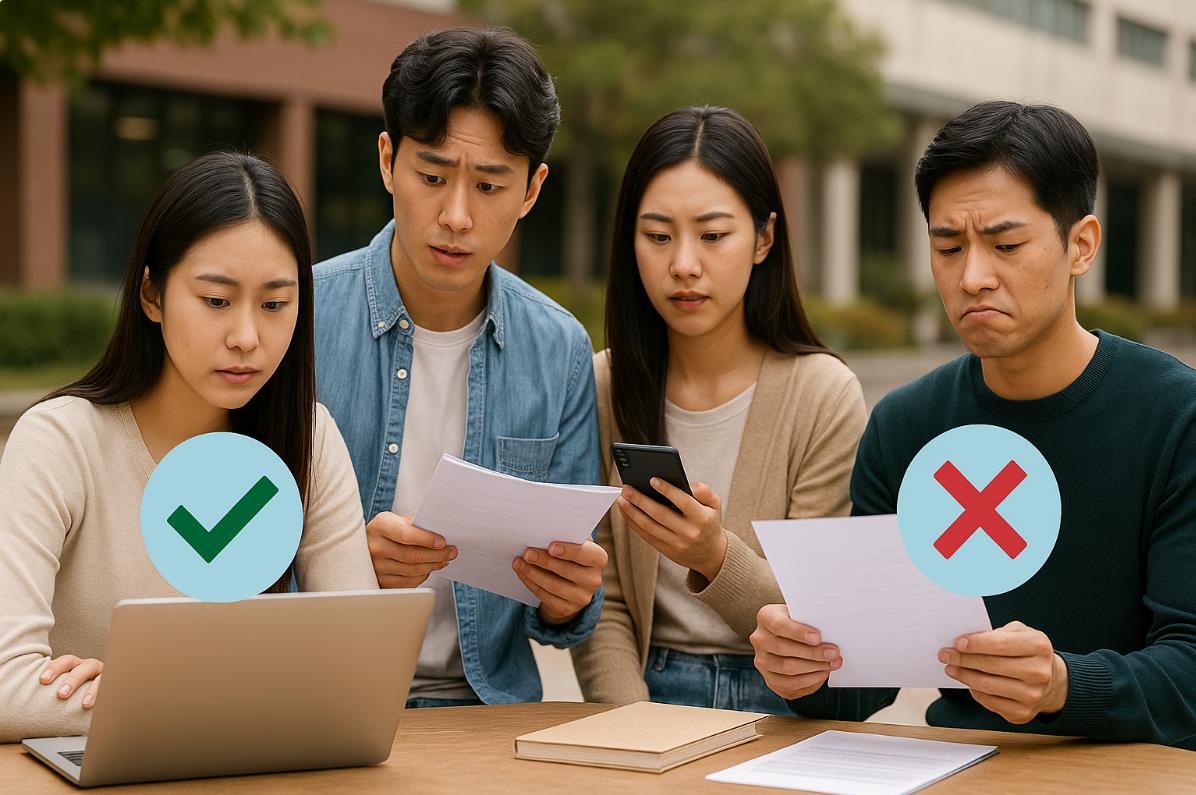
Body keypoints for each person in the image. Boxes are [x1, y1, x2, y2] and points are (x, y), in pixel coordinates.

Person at [750, 101, 1196, 749]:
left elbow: (1189, 668)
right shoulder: (906, 426)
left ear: (1082, 245)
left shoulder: (1174, 416)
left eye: (1006, 244)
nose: (973, 277)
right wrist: (803, 667)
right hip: (957, 766)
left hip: (1130, 774)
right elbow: (867, 676)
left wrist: (1066, 683)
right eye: (948, 246)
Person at [0, 152, 378, 742]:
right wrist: (243, 695)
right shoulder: (60, 443)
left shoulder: (308, 438)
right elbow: (6, 689)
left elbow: (361, 677)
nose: (247, 337)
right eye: (216, 301)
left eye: (275, 304)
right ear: (152, 295)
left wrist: (132, 692)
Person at [313, 28, 606, 708]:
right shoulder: (298, 316)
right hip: (317, 690)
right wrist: (345, 567)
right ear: (388, 161)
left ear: (531, 189)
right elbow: (225, 559)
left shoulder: (559, 349)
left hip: (482, 707)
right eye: (433, 176)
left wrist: (566, 600)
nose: (456, 215)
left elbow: (563, 621)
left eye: (489, 184)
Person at [569, 106, 867, 714]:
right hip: (645, 695)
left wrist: (713, 556)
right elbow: (605, 597)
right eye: (658, 236)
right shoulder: (604, 383)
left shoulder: (822, 394)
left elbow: (818, 621)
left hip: (784, 703)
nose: (683, 263)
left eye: (712, 235)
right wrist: (631, 724)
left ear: (763, 239)